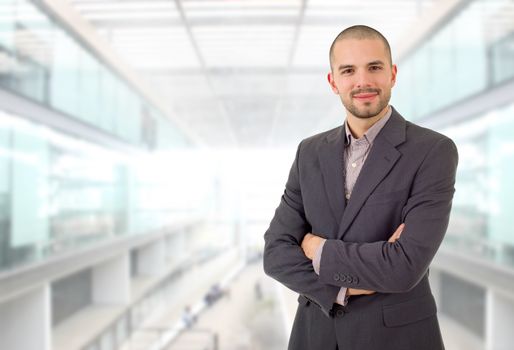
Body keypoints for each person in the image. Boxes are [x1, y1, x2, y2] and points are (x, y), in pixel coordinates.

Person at [263, 24, 458, 350]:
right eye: (348, 70)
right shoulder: (309, 153)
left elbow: (404, 266)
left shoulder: (432, 151)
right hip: (315, 336)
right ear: (333, 82)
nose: (362, 81)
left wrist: (317, 249)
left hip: (397, 339)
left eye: (374, 67)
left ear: (393, 74)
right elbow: (275, 254)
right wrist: (343, 289)